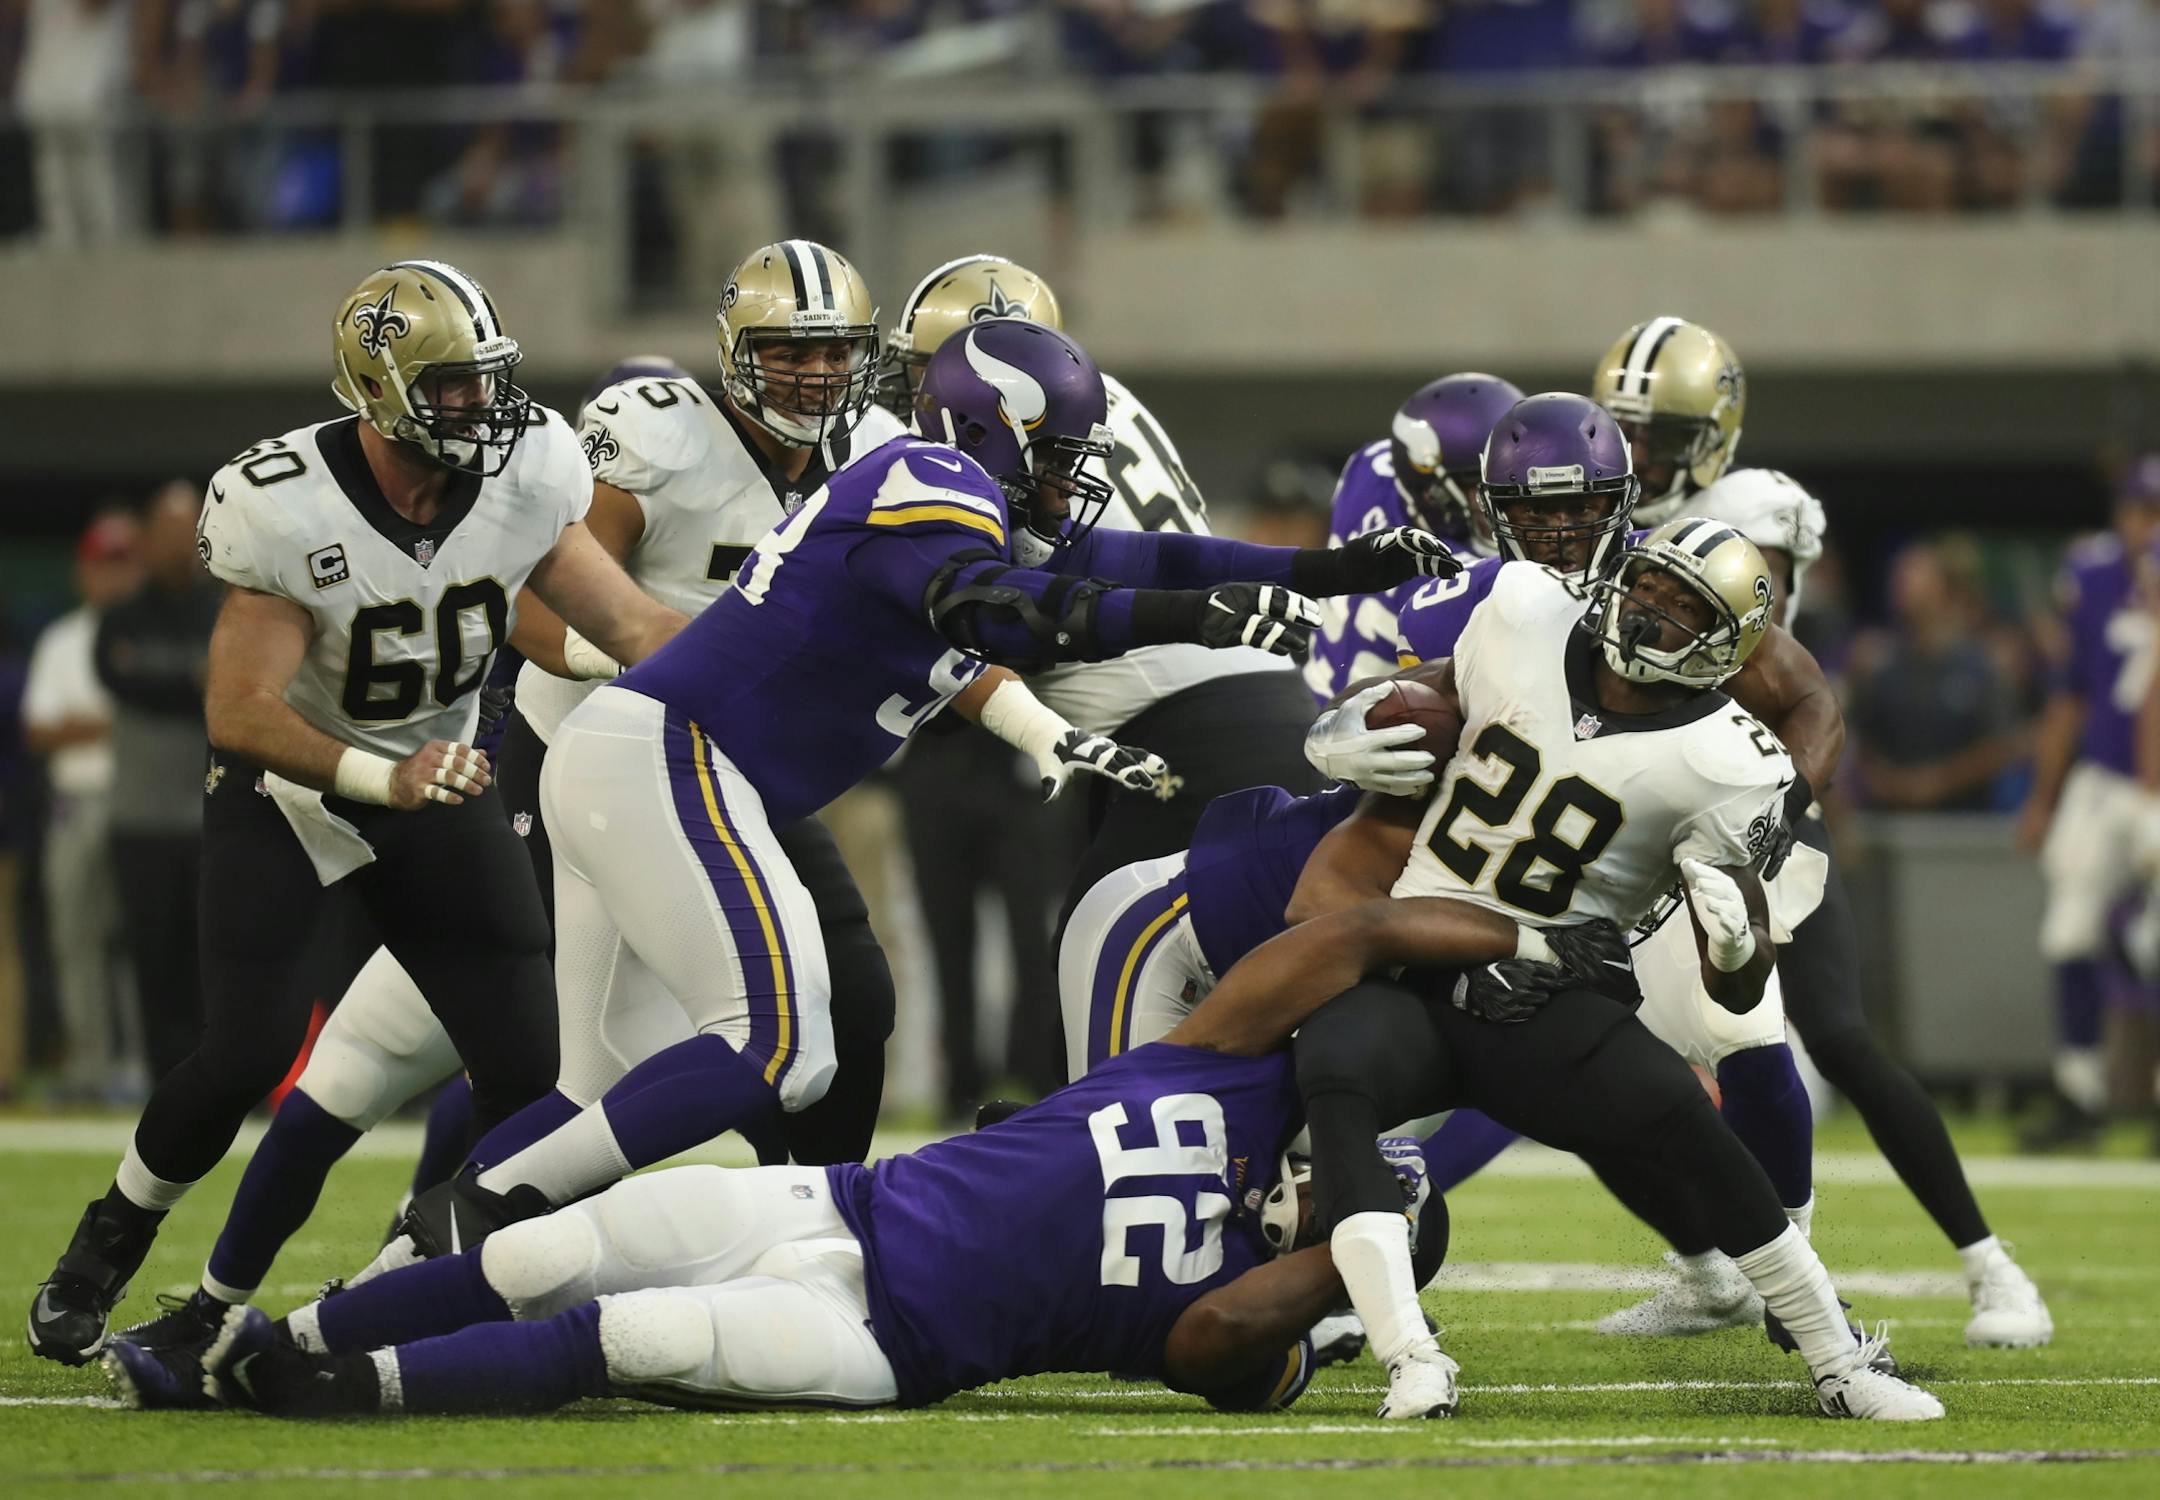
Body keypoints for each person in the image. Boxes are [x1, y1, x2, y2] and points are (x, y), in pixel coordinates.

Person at [371, 318, 1454, 1276]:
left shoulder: (962, 491)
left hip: (662, 760)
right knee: (783, 1047)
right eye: (1065, 452)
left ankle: (409, 1256)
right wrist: (1205, 617)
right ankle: (501, 1208)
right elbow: (996, 610)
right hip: (668, 753)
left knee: (596, 1085)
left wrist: (1334, 571)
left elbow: (1153, 552)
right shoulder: (928, 482)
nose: (1077, 476)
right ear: (992, 431)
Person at [106, 893, 1543, 1418]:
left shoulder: (1262, 1318)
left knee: (636, 1339)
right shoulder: (1224, 1072)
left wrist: (1333, 1272)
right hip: (839, 1196)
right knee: (546, 1249)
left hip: (882, 1338)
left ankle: (345, 1387)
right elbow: (1345, 936)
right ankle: (264, 1339)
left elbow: (1215, 1335)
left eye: (1349, 1211)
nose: (1324, 1182)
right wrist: (1529, 948)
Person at [27, 258, 689, 1368]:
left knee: (531, 1074)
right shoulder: (284, 500)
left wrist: (774, 656)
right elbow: (238, 711)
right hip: (292, 794)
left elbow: (632, 623)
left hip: (437, 788)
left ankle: (439, 1279)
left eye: (490, 381)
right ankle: (114, 1233)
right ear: (378, 393)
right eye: (454, 388)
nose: (487, 408)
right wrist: (386, 779)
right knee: (243, 1053)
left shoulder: (531, 469)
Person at [1292, 504, 1943, 1422]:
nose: (1646, 609)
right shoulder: (1523, 609)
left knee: (1689, 1125)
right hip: (1417, 953)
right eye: (1646, 582)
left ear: (1725, 648)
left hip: (1551, 986)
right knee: (1334, 1072)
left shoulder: (1733, 761)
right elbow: (1430, 697)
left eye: (1680, 606)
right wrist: (1346, 727)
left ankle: (1837, 1361)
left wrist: (1735, 946)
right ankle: (1409, 1357)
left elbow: (1742, 978)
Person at [1596, 469, 2051, 1347]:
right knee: (1585, 1052)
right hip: (1660, 853)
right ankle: (1708, 1271)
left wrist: (1782, 807)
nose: (1740, 579)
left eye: (1763, 562)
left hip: (1768, 839)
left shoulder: (1769, 652)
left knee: (1835, 1036)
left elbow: (1815, 710)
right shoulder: (1641, 594)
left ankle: (1991, 1264)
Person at [880, 256, 1335, 983]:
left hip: (1181, 737)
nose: (920, 394)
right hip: (1272, 701)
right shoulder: (1105, 402)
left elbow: (989, 621)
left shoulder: (985, 455)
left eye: (935, 371)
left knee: (1103, 999)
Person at [2018, 455, 2160, 1148]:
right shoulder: (2095, 575)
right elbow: (2069, 695)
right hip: (2104, 779)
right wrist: (2043, 796)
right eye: (2140, 510)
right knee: (2069, 932)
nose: (2147, 527)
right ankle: (2082, 1096)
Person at [97, 483, 221, 1086]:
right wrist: (193, 685)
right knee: (151, 956)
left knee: (212, 959)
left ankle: (217, 1084)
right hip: (141, 819)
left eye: (186, 531)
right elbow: (120, 679)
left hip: (210, 815)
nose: (178, 546)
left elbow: (228, 687)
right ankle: (160, 1083)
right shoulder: (120, 616)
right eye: (167, 531)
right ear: (147, 539)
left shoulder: (226, 608)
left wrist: (188, 684)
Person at [1305, 373, 1523, 704]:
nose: (1501, 503)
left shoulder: (1370, 469)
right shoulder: (1454, 580)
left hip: (1311, 692)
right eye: (1482, 488)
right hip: (1366, 727)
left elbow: (1400, 453)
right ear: (1433, 493)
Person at [22, 514, 143, 1099]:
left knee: (140, 937)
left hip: (139, 802)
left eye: (124, 564)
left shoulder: (148, 632)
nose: (113, 578)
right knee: (77, 938)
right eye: (104, 564)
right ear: (84, 571)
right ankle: (89, 1068)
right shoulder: (63, 638)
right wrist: (120, 721)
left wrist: (92, 724)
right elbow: (39, 732)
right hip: (75, 799)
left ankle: (139, 1066)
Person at [1589, 315, 1746, 527]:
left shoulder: (1750, 511)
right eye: (1621, 433)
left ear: (1713, 443)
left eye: (1661, 440)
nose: (1636, 459)